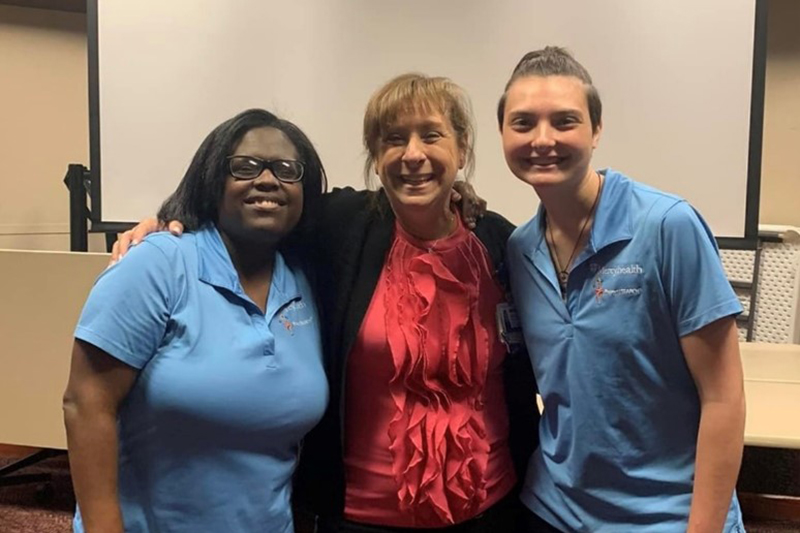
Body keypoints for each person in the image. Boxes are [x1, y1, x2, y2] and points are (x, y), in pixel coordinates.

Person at [113, 74, 540, 532]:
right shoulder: (342, 226)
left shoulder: (498, 242)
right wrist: (171, 216)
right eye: (393, 139)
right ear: (377, 158)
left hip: (492, 510)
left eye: (431, 135)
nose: (412, 154)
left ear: (462, 147)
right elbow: (259, 204)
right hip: (360, 517)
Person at [497, 47, 746, 532]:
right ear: (503, 134)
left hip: (666, 517)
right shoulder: (519, 249)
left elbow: (724, 398)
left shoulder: (666, 226)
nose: (542, 140)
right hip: (553, 508)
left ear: (596, 130)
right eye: (523, 123)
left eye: (564, 121)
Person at [62, 109, 329, 533]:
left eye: (286, 169)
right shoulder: (157, 263)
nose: (266, 180)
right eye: (244, 167)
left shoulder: (306, 278)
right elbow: (86, 402)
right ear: (212, 180)